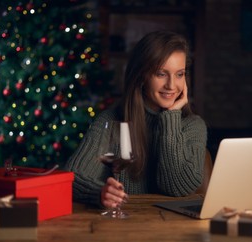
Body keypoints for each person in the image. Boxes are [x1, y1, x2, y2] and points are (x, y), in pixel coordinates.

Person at [66, 30, 208, 209]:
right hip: (121, 226)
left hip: (172, 228)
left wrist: (171, 116)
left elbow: (178, 188)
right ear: (142, 76)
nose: (172, 85)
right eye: (161, 74)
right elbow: (71, 178)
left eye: (179, 74)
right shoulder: (110, 121)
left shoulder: (193, 125)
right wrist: (100, 192)